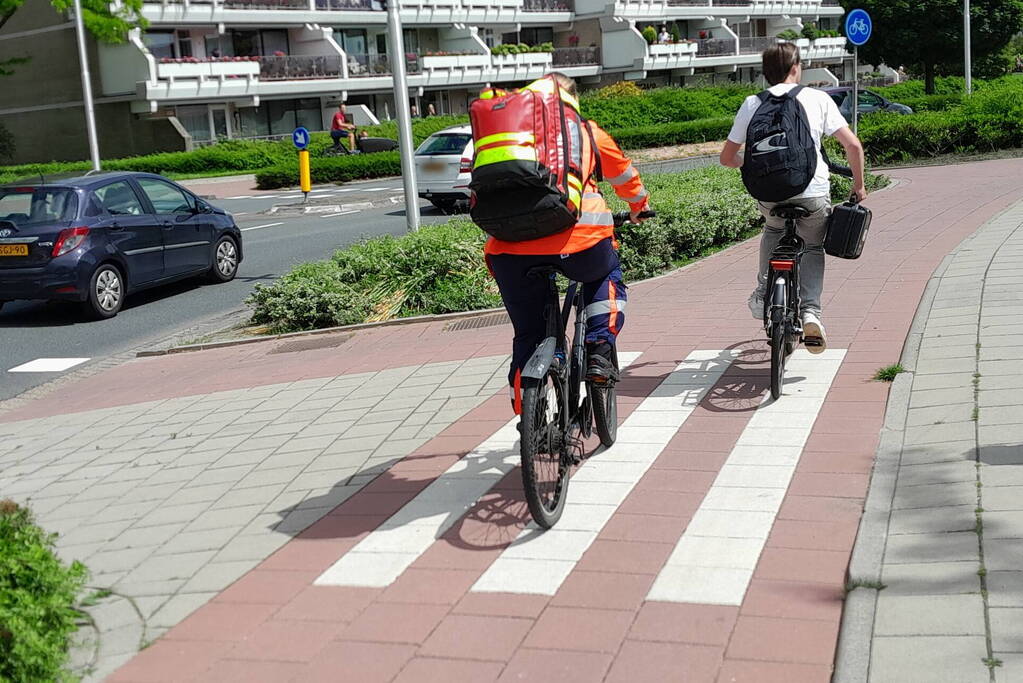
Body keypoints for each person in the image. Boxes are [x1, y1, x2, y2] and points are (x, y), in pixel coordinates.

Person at [485, 72, 651, 409]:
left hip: (508, 249)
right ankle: (600, 355)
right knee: (604, 277)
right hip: (581, 242)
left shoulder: (508, 133)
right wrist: (639, 207)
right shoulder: (585, 129)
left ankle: (526, 411)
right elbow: (624, 175)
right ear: (573, 99)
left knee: (528, 337)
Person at [718, 42, 867, 353]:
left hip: (769, 194)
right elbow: (853, 146)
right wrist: (859, 185)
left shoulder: (751, 103)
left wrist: (756, 162)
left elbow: (727, 158)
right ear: (796, 67)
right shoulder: (818, 99)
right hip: (812, 193)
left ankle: (763, 291)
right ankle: (811, 311)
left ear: (765, 72)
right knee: (812, 245)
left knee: (773, 229)